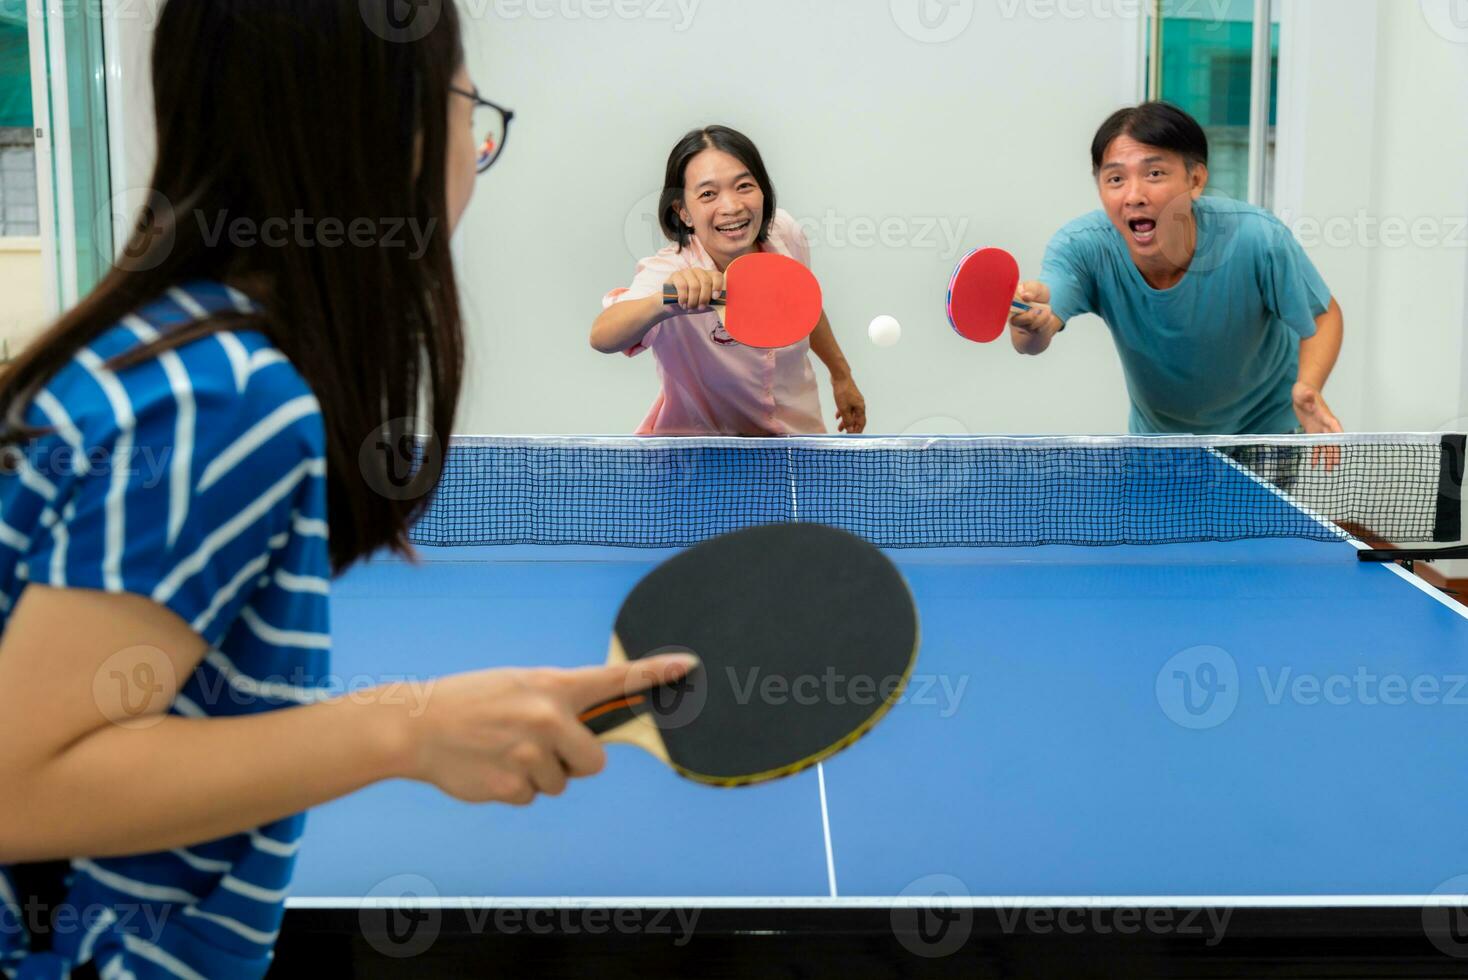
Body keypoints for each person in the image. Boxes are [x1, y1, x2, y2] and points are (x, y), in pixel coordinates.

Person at [0, 3, 693, 977]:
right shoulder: (226, 400)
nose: (473, 148)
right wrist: (407, 728)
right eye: (467, 108)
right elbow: (17, 786)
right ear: (390, 133)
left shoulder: (165, 347)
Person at [1008, 101, 1345, 437]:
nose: (1133, 195)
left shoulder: (1257, 238)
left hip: (1263, 429)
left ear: (1195, 180)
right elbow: (1037, 331)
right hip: (1159, 440)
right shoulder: (1082, 247)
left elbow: (1322, 315)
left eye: (1154, 174)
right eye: (1115, 179)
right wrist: (1032, 324)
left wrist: (1309, 387)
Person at [591, 126, 867, 436]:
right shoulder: (670, 270)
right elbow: (602, 336)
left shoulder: (784, 233)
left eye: (744, 186)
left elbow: (805, 305)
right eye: (708, 194)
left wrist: (841, 376)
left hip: (798, 444)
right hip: (703, 460)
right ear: (683, 212)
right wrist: (666, 302)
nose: (732, 206)